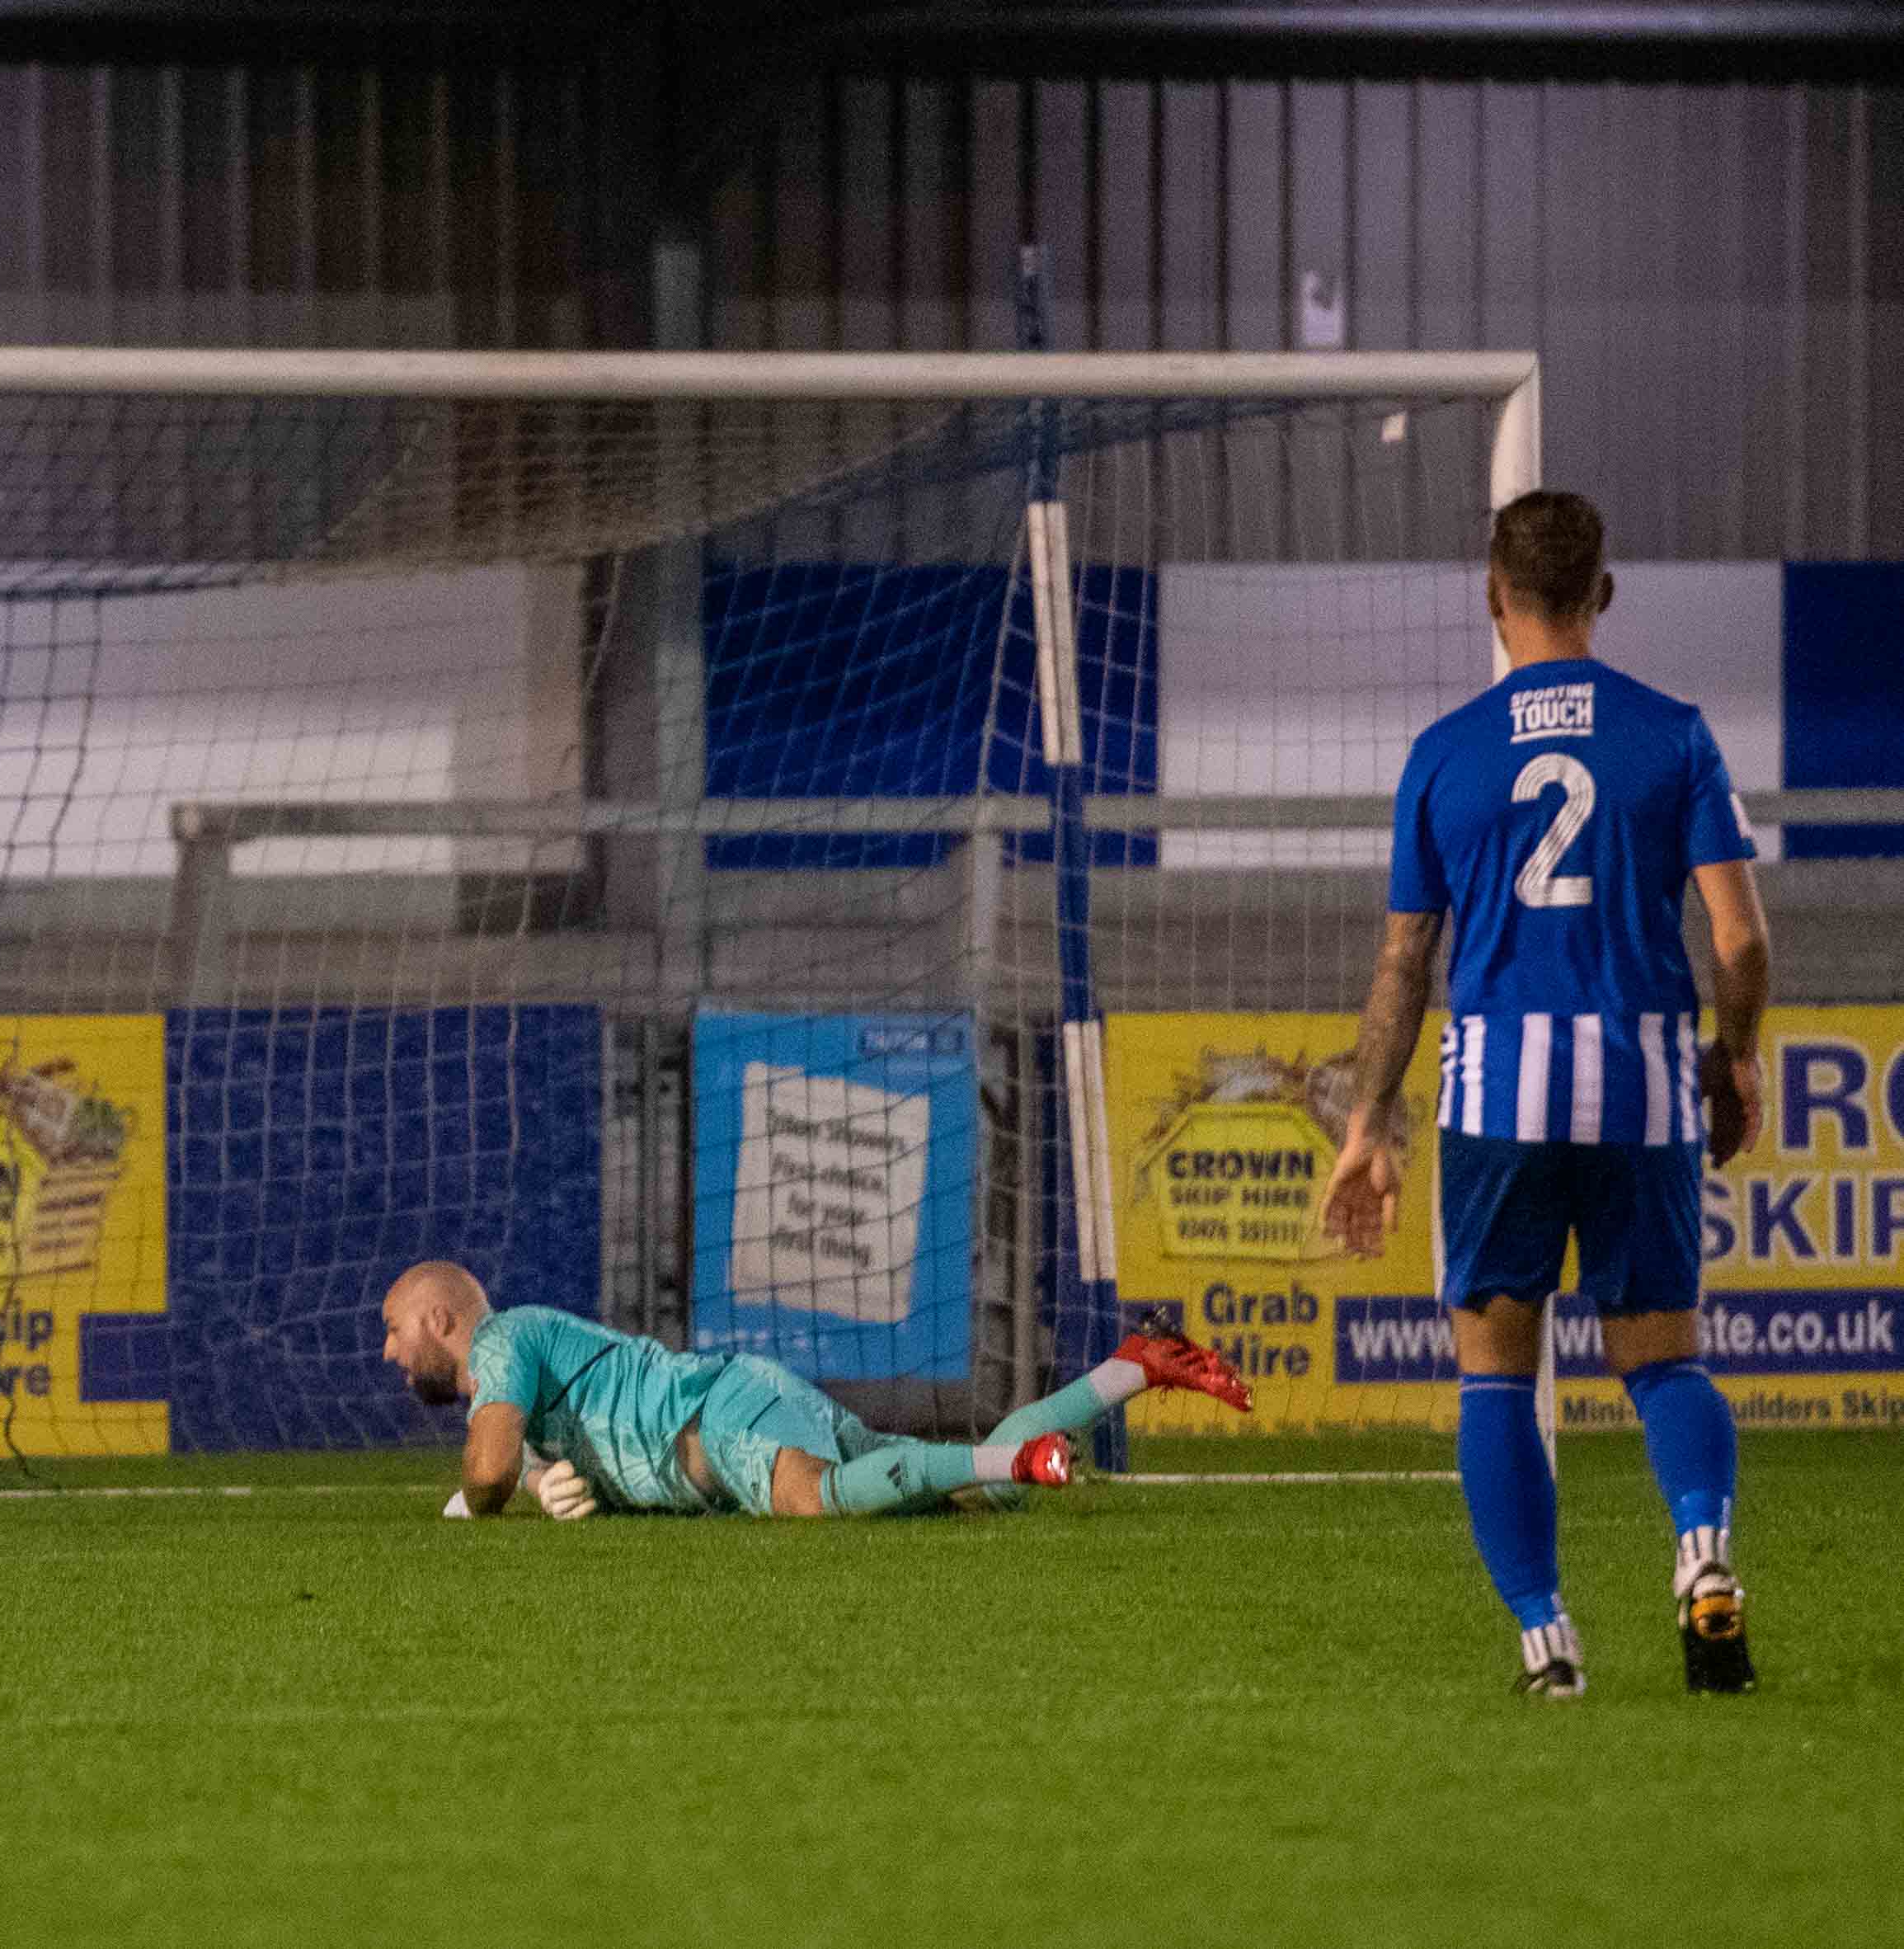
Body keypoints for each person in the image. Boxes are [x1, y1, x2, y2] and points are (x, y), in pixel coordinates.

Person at [1310, 489, 1766, 1700]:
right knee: (1663, 1360)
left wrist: (1366, 1123)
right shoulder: (1673, 733)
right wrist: (1738, 1056)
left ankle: (1545, 1639)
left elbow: (1404, 960)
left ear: (1491, 594)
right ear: (1601, 593)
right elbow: (1738, 936)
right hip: (1642, 1087)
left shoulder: (1445, 752)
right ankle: (1703, 1555)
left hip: (1498, 1094)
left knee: (1496, 1371)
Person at [378, 1260, 1252, 1523]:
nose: (387, 1352)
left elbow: (486, 1472)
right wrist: (544, 1481)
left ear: (445, 1324)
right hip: (739, 1405)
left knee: (810, 1500)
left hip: (721, 1419)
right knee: (972, 1496)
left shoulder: (500, 1340)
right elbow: (521, 1463)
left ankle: (1023, 1458)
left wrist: (486, 1494)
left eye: (395, 1329)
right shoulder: (525, 1379)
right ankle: (1134, 1364)